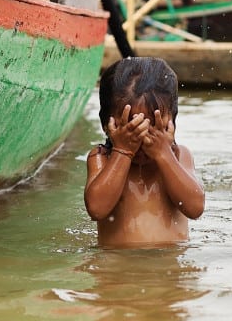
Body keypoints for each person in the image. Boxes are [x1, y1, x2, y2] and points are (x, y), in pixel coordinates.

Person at [84, 57, 205, 247]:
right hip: (117, 270)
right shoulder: (101, 158)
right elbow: (97, 209)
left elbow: (195, 208)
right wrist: (122, 151)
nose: (141, 139)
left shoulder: (179, 155)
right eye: (130, 127)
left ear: (172, 121)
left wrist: (164, 154)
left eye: (154, 127)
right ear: (106, 124)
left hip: (170, 270)